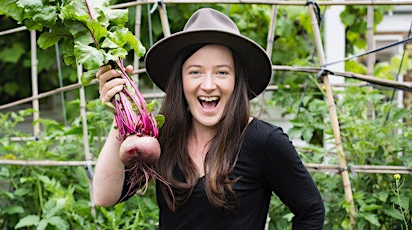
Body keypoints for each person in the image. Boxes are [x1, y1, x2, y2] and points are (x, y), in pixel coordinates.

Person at [93, 8, 325, 229]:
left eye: (222, 72)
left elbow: (311, 211)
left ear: (236, 81)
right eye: (195, 72)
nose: (208, 85)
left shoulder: (263, 141)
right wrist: (121, 110)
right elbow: (105, 196)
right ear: (180, 81)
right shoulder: (162, 136)